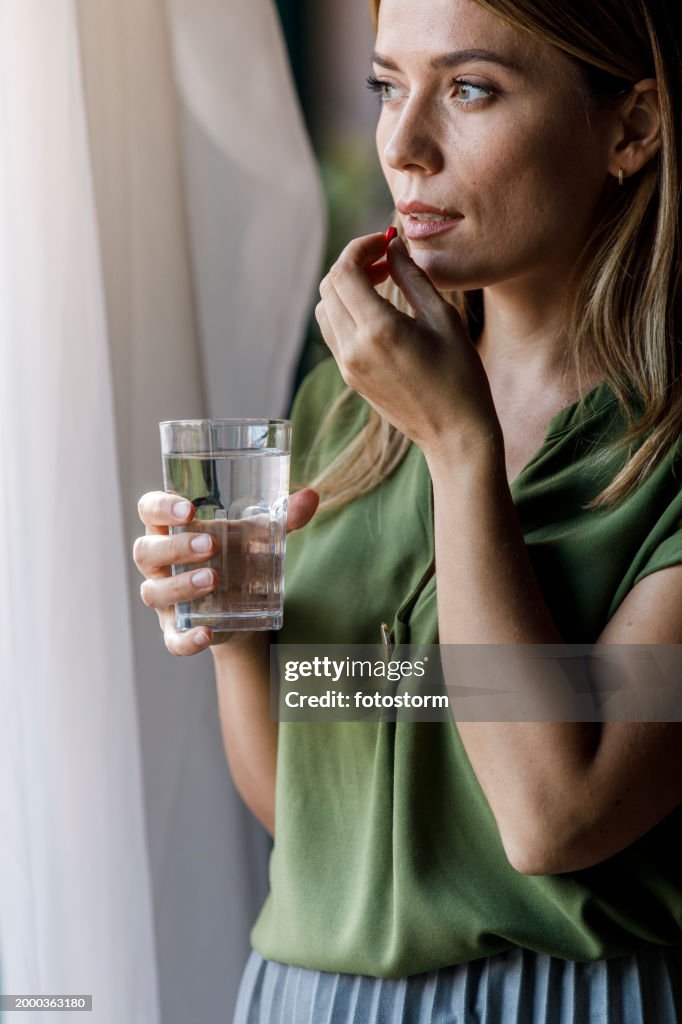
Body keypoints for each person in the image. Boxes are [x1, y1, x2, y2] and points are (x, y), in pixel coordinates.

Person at [133, 0, 682, 1019]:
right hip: (304, 993)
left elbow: (554, 817)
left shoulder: (660, 455)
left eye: (468, 90)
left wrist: (460, 450)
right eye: (389, 85)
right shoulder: (345, 410)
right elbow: (306, 819)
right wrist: (230, 626)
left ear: (633, 128)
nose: (403, 144)